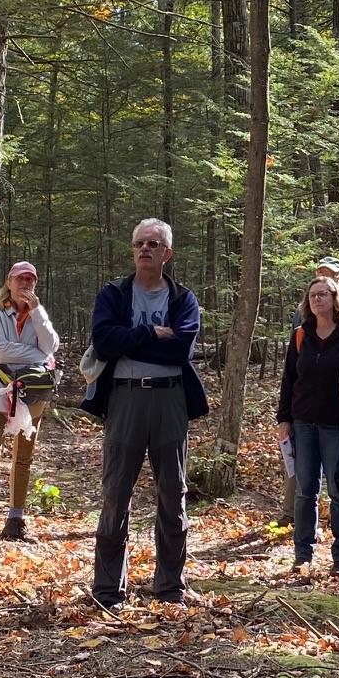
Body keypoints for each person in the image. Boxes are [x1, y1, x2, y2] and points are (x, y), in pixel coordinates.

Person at [83, 217, 207, 608]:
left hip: (170, 400)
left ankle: (170, 586)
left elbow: (181, 349)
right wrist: (153, 334)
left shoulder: (183, 298)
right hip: (125, 399)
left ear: (167, 253)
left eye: (154, 244)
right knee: (116, 492)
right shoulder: (114, 294)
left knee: (173, 493)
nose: (145, 249)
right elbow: (103, 341)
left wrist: (128, 341)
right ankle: (107, 589)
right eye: (139, 243)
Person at [0, 260, 60, 545]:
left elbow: (51, 346)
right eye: (20, 279)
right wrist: (37, 355)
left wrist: (38, 313)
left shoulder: (36, 315)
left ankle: (16, 520)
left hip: (32, 388)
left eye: (31, 280)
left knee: (24, 455)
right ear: (9, 282)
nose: (25, 284)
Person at [276, 276, 339, 574]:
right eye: (312, 295)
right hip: (303, 424)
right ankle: (303, 554)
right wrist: (283, 419)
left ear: (335, 298)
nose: (317, 299)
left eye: (323, 294)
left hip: (338, 424)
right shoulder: (301, 336)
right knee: (305, 490)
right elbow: (289, 380)